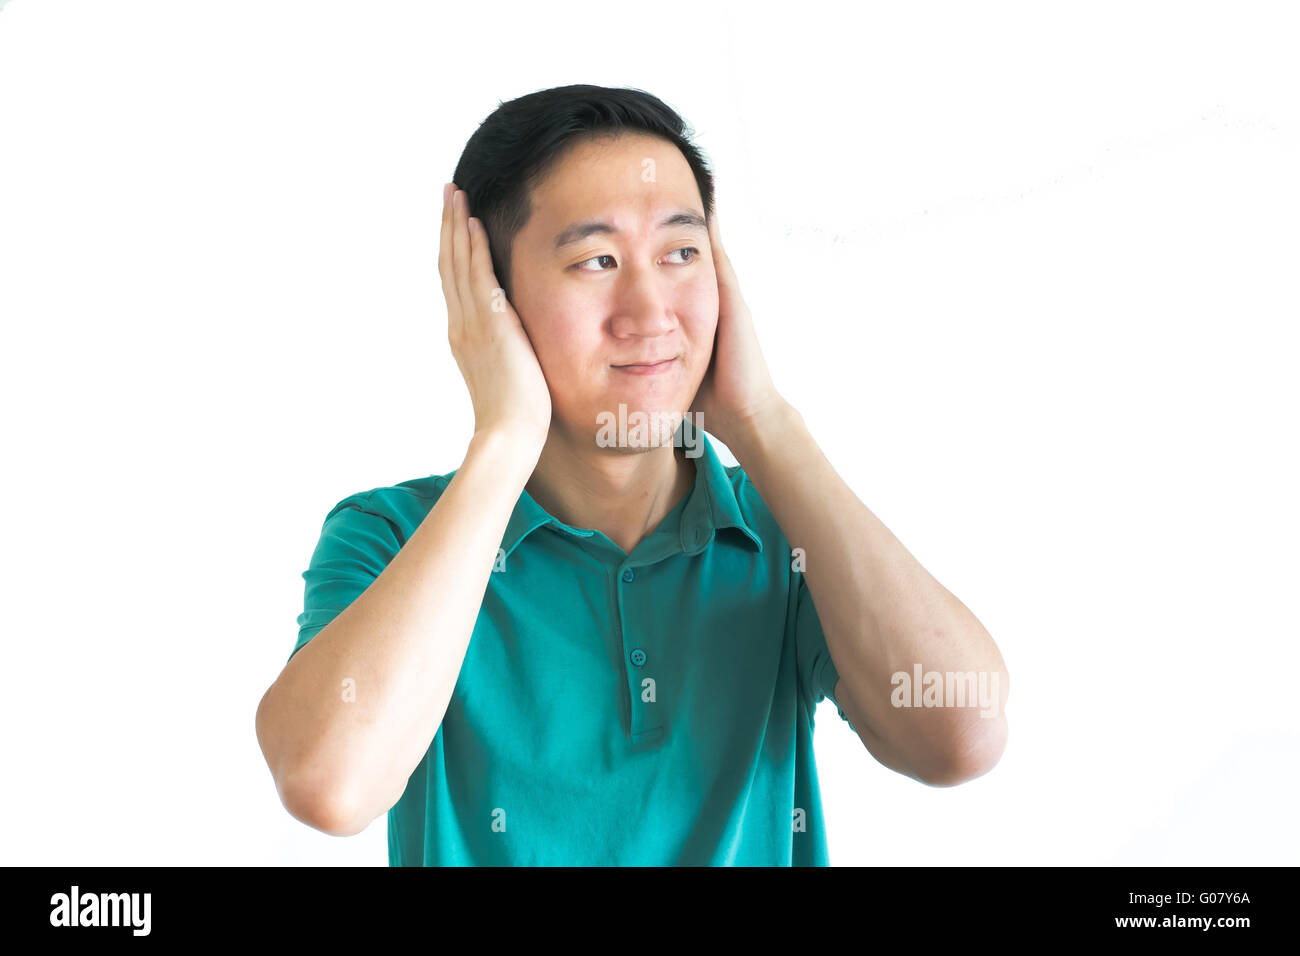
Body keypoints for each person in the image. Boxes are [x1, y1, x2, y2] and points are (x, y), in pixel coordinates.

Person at [255, 84, 1010, 866]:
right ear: (489, 296)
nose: (649, 311)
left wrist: (765, 424)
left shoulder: (784, 529)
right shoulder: (394, 537)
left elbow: (964, 734)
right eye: (597, 260)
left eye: (681, 254)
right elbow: (328, 784)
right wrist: (505, 437)